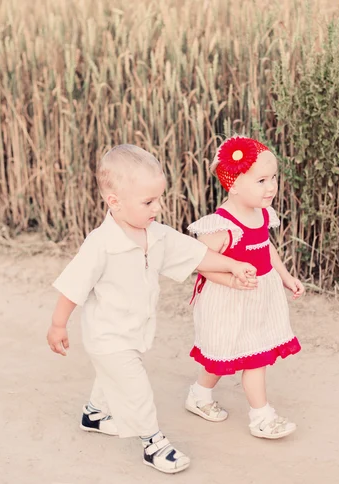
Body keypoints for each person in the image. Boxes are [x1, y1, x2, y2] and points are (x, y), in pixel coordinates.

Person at [46, 144, 256, 474]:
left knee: (113, 376)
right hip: (107, 335)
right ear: (114, 201)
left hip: (134, 331)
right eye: (148, 202)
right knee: (135, 387)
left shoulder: (156, 235)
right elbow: (73, 287)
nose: (158, 207)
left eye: (158, 198)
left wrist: (232, 264)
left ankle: (94, 414)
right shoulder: (101, 244)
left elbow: (196, 255)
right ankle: (152, 442)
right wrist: (58, 325)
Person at [184, 136, 304, 439]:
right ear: (234, 184)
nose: (272, 186)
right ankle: (261, 417)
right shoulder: (221, 225)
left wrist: (286, 276)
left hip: (259, 297)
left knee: (242, 354)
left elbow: (267, 248)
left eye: (274, 177)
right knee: (244, 356)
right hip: (228, 301)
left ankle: (199, 396)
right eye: (261, 180)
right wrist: (230, 278)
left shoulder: (261, 213)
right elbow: (200, 263)